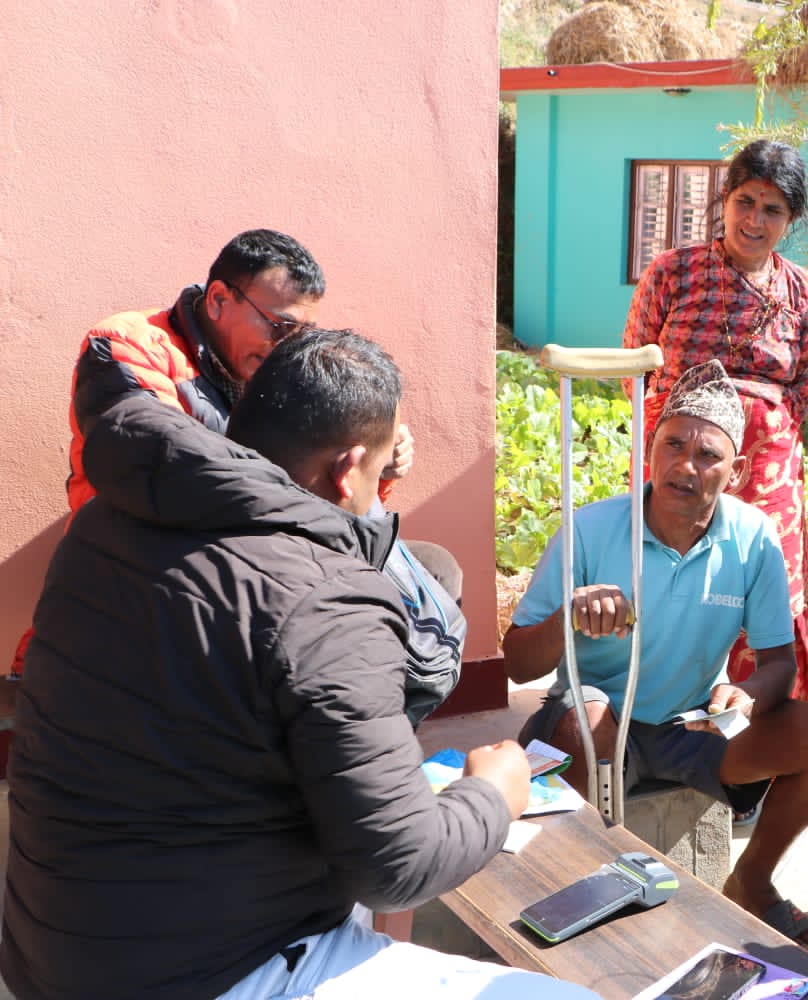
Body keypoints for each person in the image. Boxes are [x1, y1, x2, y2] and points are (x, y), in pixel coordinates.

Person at [2, 330, 596, 1000]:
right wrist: (495, 790)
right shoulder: (326, 597)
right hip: (209, 971)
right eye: (377, 476)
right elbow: (398, 866)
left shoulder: (105, 526)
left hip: (48, 952)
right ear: (348, 472)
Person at [19, 229, 461, 724]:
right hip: (157, 566)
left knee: (432, 580)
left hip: (262, 559)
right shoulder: (128, 344)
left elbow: (317, 481)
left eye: (302, 335)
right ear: (219, 299)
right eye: (278, 326)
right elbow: (165, 469)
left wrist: (374, 465)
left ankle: (367, 744)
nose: (285, 347)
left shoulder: (277, 368)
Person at [503, 360, 808, 957]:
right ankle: (585, 896)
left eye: (708, 455)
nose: (685, 465)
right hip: (597, 719)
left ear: (737, 471)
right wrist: (569, 616)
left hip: (689, 725)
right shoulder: (589, 530)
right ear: (650, 448)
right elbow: (516, 661)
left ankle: (752, 879)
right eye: (672, 444)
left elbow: (778, 665)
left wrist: (748, 694)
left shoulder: (752, 537)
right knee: (581, 721)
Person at [623, 140, 808, 705]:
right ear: (725, 199)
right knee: (678, 576)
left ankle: (766, 712)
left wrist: (757, 440)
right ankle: (668, 703)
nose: (754, 221)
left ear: (790, 219)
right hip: (681, 460)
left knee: (767, 584)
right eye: (745, 202)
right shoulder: (673, 272)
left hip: (768, 469)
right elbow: (635, 367)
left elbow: (800, 391)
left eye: (772, 210)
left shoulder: (803, 292)